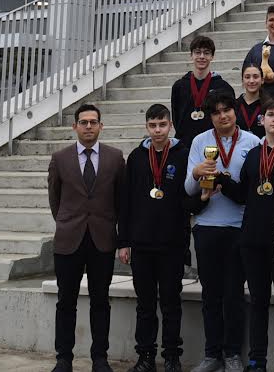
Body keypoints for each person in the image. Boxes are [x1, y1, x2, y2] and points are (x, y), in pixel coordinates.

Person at [186, 91, 263, 372]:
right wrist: (197, 173)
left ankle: (232, 353)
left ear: (236, 110)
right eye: (216, 112)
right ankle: (211, 353)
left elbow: (253, 191)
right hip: (206, 227)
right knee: (210, 294)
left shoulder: (253, 142)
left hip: (238, 228)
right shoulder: (200, 141)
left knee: (233, 294)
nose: (223, 116)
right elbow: (188, 189)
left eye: (227, 110)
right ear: (211, 117)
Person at [48, 103, 126, 372]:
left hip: (102, 238)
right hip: (69, 239)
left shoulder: (116, 158)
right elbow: (55, 199)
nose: (89, 126)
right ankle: (63, 358)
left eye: (94, 122)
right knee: (65, 301)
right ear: (75, 127)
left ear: (101, 126)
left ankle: (100, 358)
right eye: (84, 122)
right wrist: (67, 221)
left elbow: (120, 200)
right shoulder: (60, 158)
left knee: (100, 300)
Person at [118, 104, 192, 372]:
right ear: (147, 127)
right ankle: (145, 356)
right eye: (153, 125)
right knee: (145, 305)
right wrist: (123, 241)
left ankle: (172, 356)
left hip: (171, 243)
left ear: (170, 125)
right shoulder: (137, 157)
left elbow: (187, 198)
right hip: (141, 244)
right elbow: (125, 201)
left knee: (172, 303)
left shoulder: (182, 154)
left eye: (162, 124)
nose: (158, 130)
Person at [231, 97, 274, 372]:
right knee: (257, 301)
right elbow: (242, 193)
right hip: (252, 240)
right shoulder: (254, 153)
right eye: (270, 114)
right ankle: (257, 360)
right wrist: (219, 181)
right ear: (261, 119)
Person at [172, 35, 235, 150]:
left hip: (215, 144)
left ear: (212, 56)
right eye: (197, 52)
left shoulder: (223, 87)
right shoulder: (179, 86)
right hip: (185, 145)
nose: (202, 56)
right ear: (191, 55)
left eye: (206, 53)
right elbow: (176, 118)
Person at [238, 66, 267, 138]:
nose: (251, 81)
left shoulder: (269, 105)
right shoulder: (234, 105)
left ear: (262, 80)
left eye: (255, 77)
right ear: (242, 81)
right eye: (247, 77)